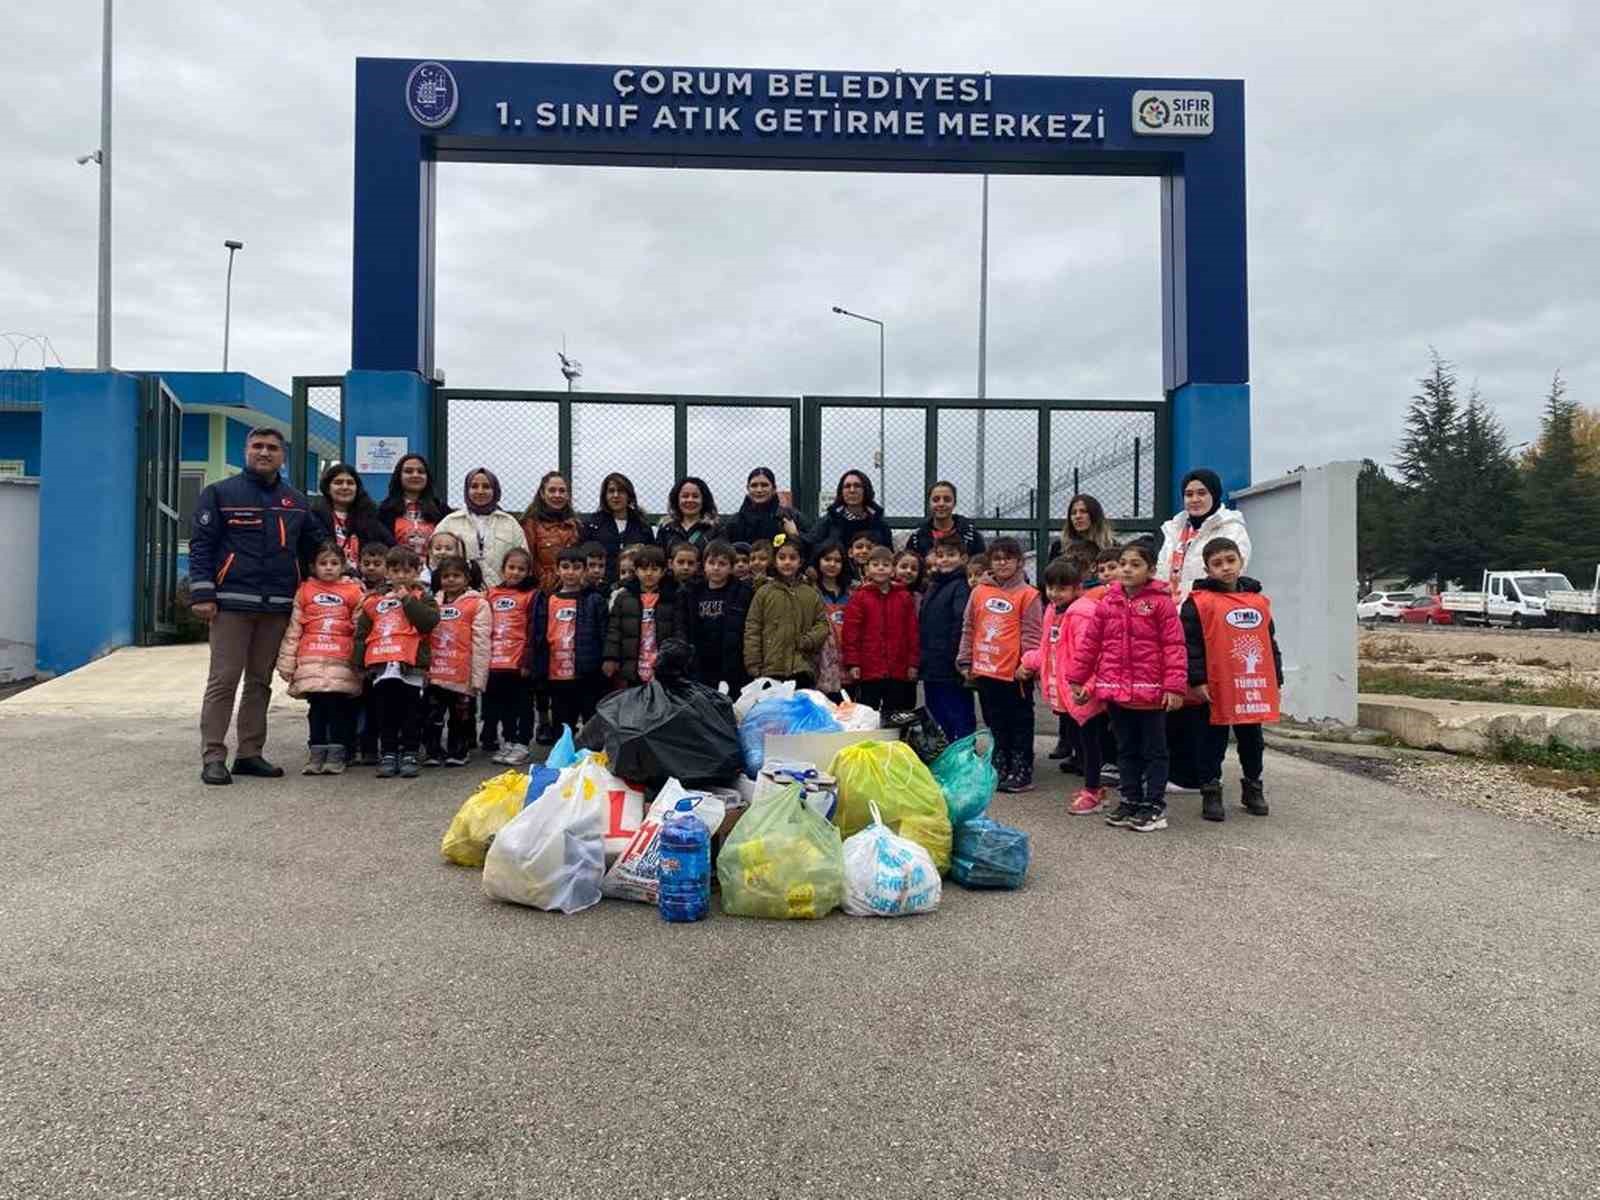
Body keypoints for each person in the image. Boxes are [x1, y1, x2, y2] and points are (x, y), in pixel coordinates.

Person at [190, 426, 325, 786]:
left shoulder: (296, 501)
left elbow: (313, 551)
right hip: (231, 604)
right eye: (258, 446)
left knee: (260, 681)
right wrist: (202, 594)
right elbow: (202, 546)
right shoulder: (219, 493)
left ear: (283, 456)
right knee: (223, 680)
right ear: (246, 451)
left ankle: (250, 753)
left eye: (272, 448)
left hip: (278, 605)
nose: (264, 453)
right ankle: (214, 756)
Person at [1067, 542, 1187, 833]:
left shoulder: (1161, 603)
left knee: (1155, 751)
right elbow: (1091, 644)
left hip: (1151, 694)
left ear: (1150, 570)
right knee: (1126, 750)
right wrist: (1077, 678)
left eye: (1135, 564)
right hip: (1117, 692)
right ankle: (1131, 800)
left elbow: (1174, 646)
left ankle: (1154, 806)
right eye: (1123, 564)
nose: (1127, 570)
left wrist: (1175, 687)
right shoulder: (1108, 602)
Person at [1180, 537, 1282, 821]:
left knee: (1253, 740)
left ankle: (1253, 787)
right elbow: (1191, 646)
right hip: (1215, 686)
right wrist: (1197, 680)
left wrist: (1276, 677)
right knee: (1211, 741)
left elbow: (1268, 641)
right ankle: (1211, 791)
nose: (1225, 568)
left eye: (1230, 560)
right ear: (1207, 569)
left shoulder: (1258, 601)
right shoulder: (1197, 603)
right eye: (1217, 563)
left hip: (1250, 685)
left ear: (1240, 561)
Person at [1024, 556, 1109, 815]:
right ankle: (1093, 787)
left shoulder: (1082, 613)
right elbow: (1047, 648)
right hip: (1065, 692)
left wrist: (1089, 686)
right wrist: (1028, 662)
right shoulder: (1052, 610)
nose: (1054, 593)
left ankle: (1093, 792)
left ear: (1077, 588)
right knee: (1078, 742)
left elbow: (1094, 654)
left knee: (1091, 744)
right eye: (1050, 587)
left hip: (1083, 693)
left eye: (1061, 588)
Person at [957, 537, 1042, 793]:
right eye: (997, 558)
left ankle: (1022, 768)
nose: (1002, 562)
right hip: (985, 670)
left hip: (1015, 674)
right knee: (995, 721)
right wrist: (965, 659)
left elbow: (1032, 634)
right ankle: (1000, 763)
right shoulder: (979, 592)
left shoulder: (1029, 595)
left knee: (1020, 721)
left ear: (1019, 562)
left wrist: (1027, 664)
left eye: (1008, 557)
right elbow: (969, 627)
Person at [275, 541, 366, 776]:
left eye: (334, 563)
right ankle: (316, 753)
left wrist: (360, 660)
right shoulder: (305, 591)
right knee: (316, 708)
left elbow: (360, 630)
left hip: (340, 660)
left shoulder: (354, 592)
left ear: (343, 566)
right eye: (323, 563)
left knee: (338, 708)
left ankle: (337, 754)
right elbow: (294, 629)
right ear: (313, 567)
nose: (328, 568)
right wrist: (287, 662)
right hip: (311, 658)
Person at [353, 545, 441, 779]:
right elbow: (363, 631)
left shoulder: (424, 597)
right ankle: (389, 752)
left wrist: (407, 600)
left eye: (406, 571)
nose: (401, 576)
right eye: (395, 570)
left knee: (410, 712)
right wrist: (360, 663)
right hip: (382, 666)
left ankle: (410, 752)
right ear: (387, 572)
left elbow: (428, 622)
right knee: (385, 712)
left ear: (416, 571)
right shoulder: (375, 599)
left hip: (410, 667)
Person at [532, 547, 609, 735]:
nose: (570, 572)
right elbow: (540, 635)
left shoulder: (594, 599)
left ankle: (590, 758)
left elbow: (604, 633)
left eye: (576, 567)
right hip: (557, 673)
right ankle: (564, 756)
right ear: (558, 570)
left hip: (586, 671)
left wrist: (604, 660)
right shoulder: (548, 600)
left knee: (591, 719)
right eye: (565, 567)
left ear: (584, 570)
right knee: (562, 721)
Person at [423, 556, 490, 767]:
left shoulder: (478, 604)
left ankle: (458, 751)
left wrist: (479, 678)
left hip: (462, 674)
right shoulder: (432, 602)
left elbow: (481, 642)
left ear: (467, 578)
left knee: (460, 717)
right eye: (446, 576)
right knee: (432, 715)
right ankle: (433, 751)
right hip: (435, 672)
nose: (450, 580)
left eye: (456, 575)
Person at [744, 534, 829, 687]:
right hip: (770, 667)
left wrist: (808, 640)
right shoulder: (764, 592)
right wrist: (753, 664)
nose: (787, 562)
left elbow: (822, 624)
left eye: (792, 558)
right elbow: (753, 628)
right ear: (774, 561)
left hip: (802, 667)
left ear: (800, 562)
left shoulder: (810, 593)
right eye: (782, 557)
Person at [1157, 468, 1252, 605]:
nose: (1195, 499)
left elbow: (1231, 573)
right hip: (1171, 610)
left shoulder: (1231, 528)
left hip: (1210, 608)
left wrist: (1190, 590)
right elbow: (1161, 571)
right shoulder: (1174, 529)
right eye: (1189, 494)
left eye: (1201, 493)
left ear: (1214, 494)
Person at [842, 545, 920, 713]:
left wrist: (912, 663)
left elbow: (912, 633)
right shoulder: (859, 597)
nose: (880, 568)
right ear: (867, 569)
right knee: (868, 712)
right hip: (869, 669)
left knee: (895, 713)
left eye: (885, 564)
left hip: (898, 669)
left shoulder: (904, 597)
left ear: (893, 570)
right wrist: (853, 663)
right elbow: (851, 633)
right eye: (875, 564)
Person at [483, 547, 539, 765]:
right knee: (501, 704)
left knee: (522, 704)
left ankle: (522, 743)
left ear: (528, 572)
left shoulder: (531, 595)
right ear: (503, 569)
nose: (515, 572)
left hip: (518, 661)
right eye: (511, 567)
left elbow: (534, 629)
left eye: (521, 569)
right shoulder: (491, 593)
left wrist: (528, 659)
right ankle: (508, 740)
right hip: (495, 660)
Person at [434, 468, 528, 589]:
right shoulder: (449, 522)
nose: (480, 491)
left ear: (495, 490)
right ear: (466, 490)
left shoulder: (510, 524)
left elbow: (524, 559)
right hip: (460, 596)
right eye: (474, 486)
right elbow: (434, 559)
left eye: (486, 487)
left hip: (502, 595)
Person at [679, 540, 752, 693]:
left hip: (731, 663)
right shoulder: (692, 593)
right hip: (700, 662)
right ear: (703, 565)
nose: (716, 568)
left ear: (731, 567)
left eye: (722, 564)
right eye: (711, 563)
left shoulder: (742, 593)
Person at [919, 539, 975, 740]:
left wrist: (957, 658)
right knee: (937, 712)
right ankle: (945, 754)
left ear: (963, 558)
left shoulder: (960, 586)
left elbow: (960, 622)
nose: (945, 560)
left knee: (957, 711)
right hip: (931, 662)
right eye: (940, 555)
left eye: (951, 555)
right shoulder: (934, 584)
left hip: (950, 664)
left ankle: (963, 755)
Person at [605, 545, 683, 684]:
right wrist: (611, 658)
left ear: (663, 571)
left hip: (661, 666)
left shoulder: (672, 598)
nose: (648, 573)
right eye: (644, 569)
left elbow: (679, 630)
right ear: (635, 570)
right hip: (632, 666)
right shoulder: (623, 597)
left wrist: (675, 659)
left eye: (654, 569)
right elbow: (614, 631)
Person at [309, 463, 392, 571]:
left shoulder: (370, 515)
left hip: (364, 580)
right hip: (326, 578)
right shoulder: (314, 515)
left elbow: (390, 545)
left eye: (350, 483)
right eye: (338, 483)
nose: (345, 487)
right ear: (328, 488)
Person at [580, 472, 654, 582]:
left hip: (634, 587)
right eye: (611, 491)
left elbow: (651, 557)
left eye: (621, 491)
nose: (616, 495)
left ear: (629, 495)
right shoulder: (592, 525)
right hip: (600, 586)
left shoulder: (642, 526)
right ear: (604, 496)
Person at [520, 471, 583, 592]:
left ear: (568, 495)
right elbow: (528, 560)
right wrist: (546, 582)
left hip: (573, 589)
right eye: (552, 490)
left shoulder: (576, 526)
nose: (557, 495)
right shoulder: (530, 525)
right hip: (542, 590)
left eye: (562, 491)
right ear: (542, 494)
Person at [378, 453, 450, 556]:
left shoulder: (441, 510)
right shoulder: (384, 511)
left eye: (420, 472)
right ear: (399, 476)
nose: (415, 475)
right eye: (408, 471)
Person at [808, 470, 892, 551]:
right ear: (841, 492)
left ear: (866, 490)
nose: (852, 490)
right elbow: (811, 545)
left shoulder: (880, 525)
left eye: (857, 486)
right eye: (847, 486)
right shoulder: (828, 522)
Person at [725, 466, 810, 544]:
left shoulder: (790, 517)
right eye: (754, 485)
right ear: (748, 488)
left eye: (764, 485)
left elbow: (809, 544)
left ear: (774, 488)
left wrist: (795, 535)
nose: (759, 490)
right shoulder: (735, 523)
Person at [813, 540, 852, 700]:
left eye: (837, 560)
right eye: (827, 559)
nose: (832, 564)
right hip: (822, 660)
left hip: (848, 657)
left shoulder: (853, 591)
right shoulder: (810, 590)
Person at [905, 481, 986, 558]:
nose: (941, 504)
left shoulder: (971, 535)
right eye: (936, 500)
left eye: (947, 500)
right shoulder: (917, 538)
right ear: (929, 503)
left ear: (954, 503)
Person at [656, 477, 724, 555]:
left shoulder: (715, 529)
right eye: (685, 496)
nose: (690, 500)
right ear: (676, 499)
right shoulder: (666, 529)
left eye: (695, 496)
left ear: (704, 500)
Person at [1049, 493, 1116, 562]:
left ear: (1095, 515)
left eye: (1083, 511)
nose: (1078, 516)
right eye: (1073, 513)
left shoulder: (1112, 546)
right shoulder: (1059, 547)